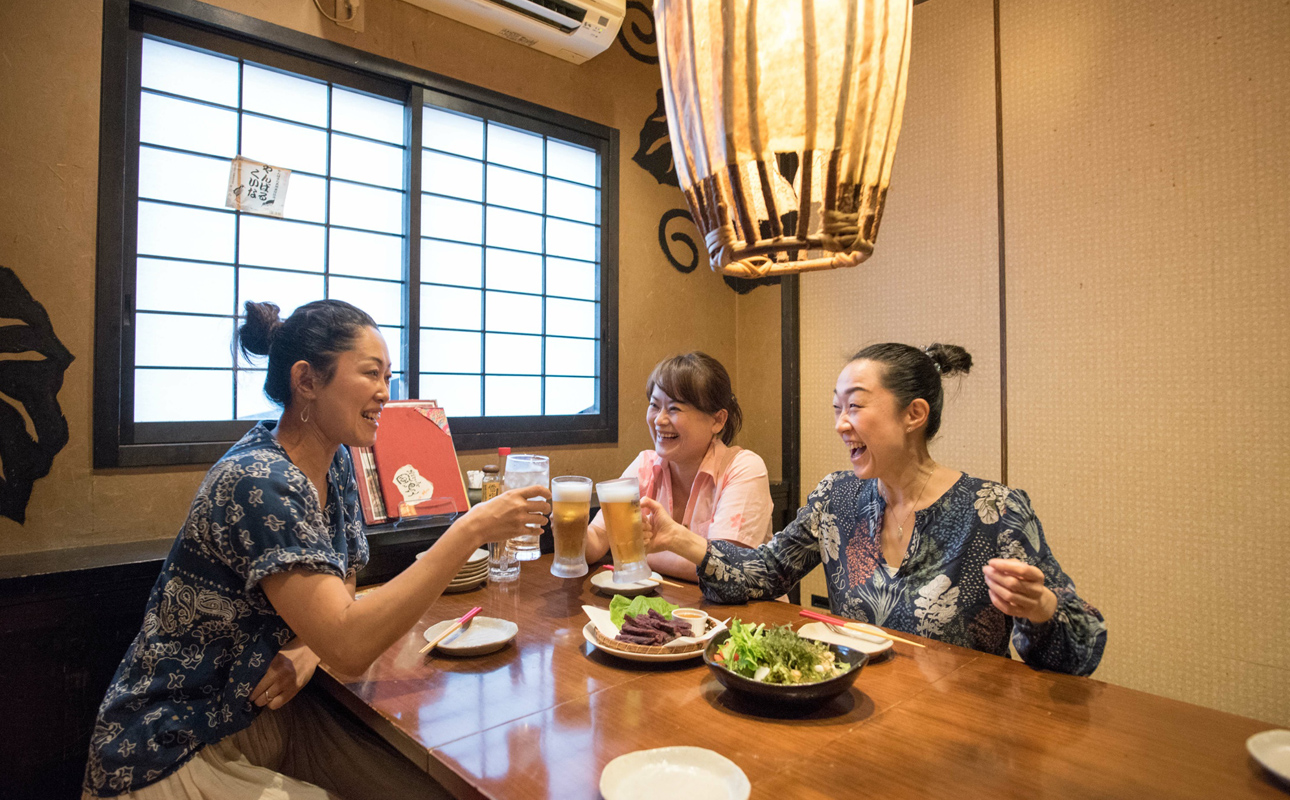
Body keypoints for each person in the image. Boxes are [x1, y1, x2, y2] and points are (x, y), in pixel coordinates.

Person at [83, 300, 551, 799]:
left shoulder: (336, 462)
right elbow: (349, 648)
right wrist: (469, 528)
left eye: (387, 375)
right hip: (171, 748)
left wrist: (307, 647)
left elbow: (342, 582)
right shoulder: (259, 480)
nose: (384, 391)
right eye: (370, 373)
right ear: (306, 380)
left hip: (264, 716)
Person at [642, 342, 1107, 676]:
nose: (841, 424)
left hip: (960, 731)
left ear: (914, 415)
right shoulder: (836, 498)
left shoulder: (994, 511)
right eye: (836, 408)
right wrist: (676, 537)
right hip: (853, 705)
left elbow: (1082, 650)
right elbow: (763, 572)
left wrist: (1041, 608)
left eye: (855, 407)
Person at [585, 352, 774, 581]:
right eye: (655, 405)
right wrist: (572, 530)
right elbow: (598, 538)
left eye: (674, 408)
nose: (659, 420)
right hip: (666, 600)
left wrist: (644, 552)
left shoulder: (743, 469)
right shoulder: (645, 465)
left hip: (740, 605)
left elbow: (727, 568)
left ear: (717, 420)